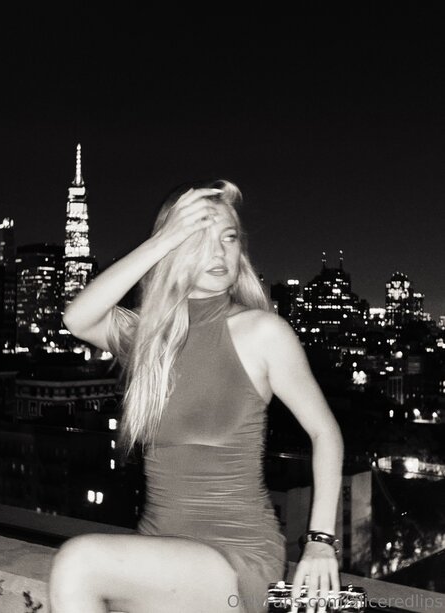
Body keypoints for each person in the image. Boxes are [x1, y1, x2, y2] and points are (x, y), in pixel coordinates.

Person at [48, 179, 344, 613]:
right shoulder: (150, 338)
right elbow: (77, 318)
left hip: (236, 557)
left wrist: (319, 541)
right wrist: (162, 241)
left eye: (228, 238)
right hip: (160, 549)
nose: (219, 253)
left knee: (79, 563)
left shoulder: (262, 332)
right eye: (199, 239)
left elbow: (325, 433)